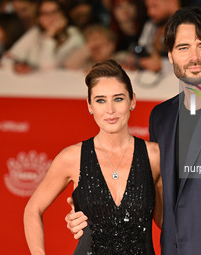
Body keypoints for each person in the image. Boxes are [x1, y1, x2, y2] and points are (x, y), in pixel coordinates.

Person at [66, 7, 201, 255]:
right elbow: (153, 197)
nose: (194, 57)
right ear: (169, 55)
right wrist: (90, 207)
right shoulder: (161, 118)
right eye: (183, 48)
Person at [24, 60, 163, 254]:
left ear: (133, 101)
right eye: (100, 100)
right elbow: (32, 210)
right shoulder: (72, 157)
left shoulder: (154, 155)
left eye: (118, 99)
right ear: (90, 106)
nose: (110, 110)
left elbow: (165, 221)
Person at [0, 0, 84, 74]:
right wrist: (16, 66)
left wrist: (49, 37)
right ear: (38, 17)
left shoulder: (74, 36)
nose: (50, 17)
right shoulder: (36, 33)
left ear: (63, 14)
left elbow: (48, 69)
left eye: (54, 12)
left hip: (59, 88)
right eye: (45, 13)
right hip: (32, 87)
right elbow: (6, 58)